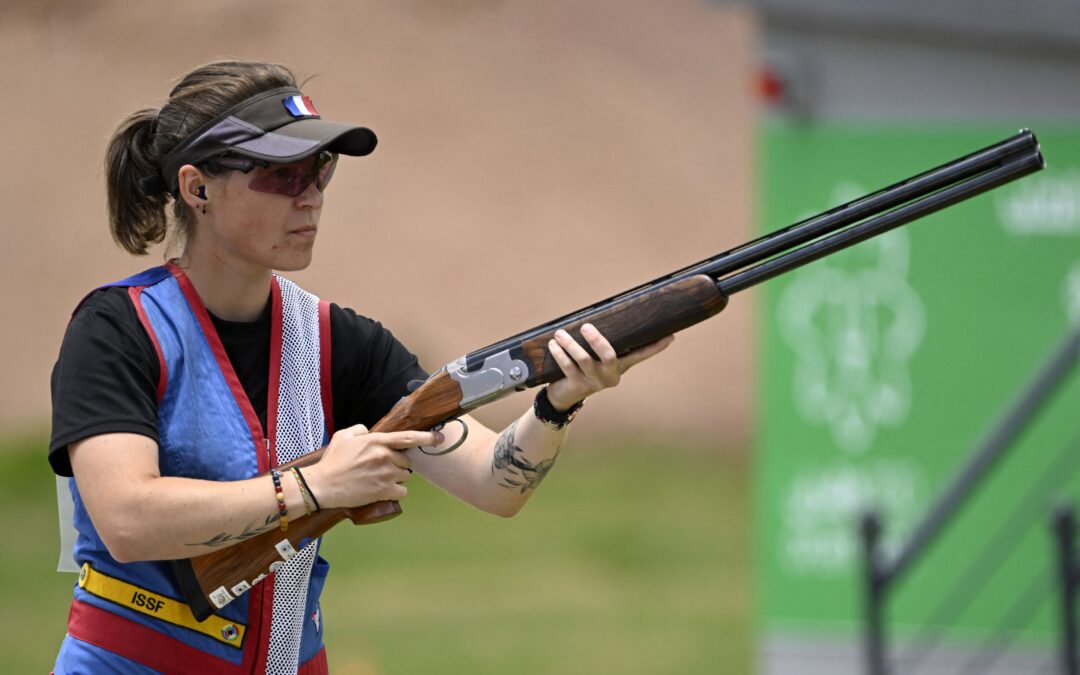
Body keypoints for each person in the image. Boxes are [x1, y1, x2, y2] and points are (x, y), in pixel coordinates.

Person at [49, 60, 673, 674]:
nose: (312, 198)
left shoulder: (336, 341)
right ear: (197, 187)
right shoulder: (116, 330)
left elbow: (491, 484)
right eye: (282, 175)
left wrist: (556, 403)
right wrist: (313, 489)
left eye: (321, 170)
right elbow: (127, 519)